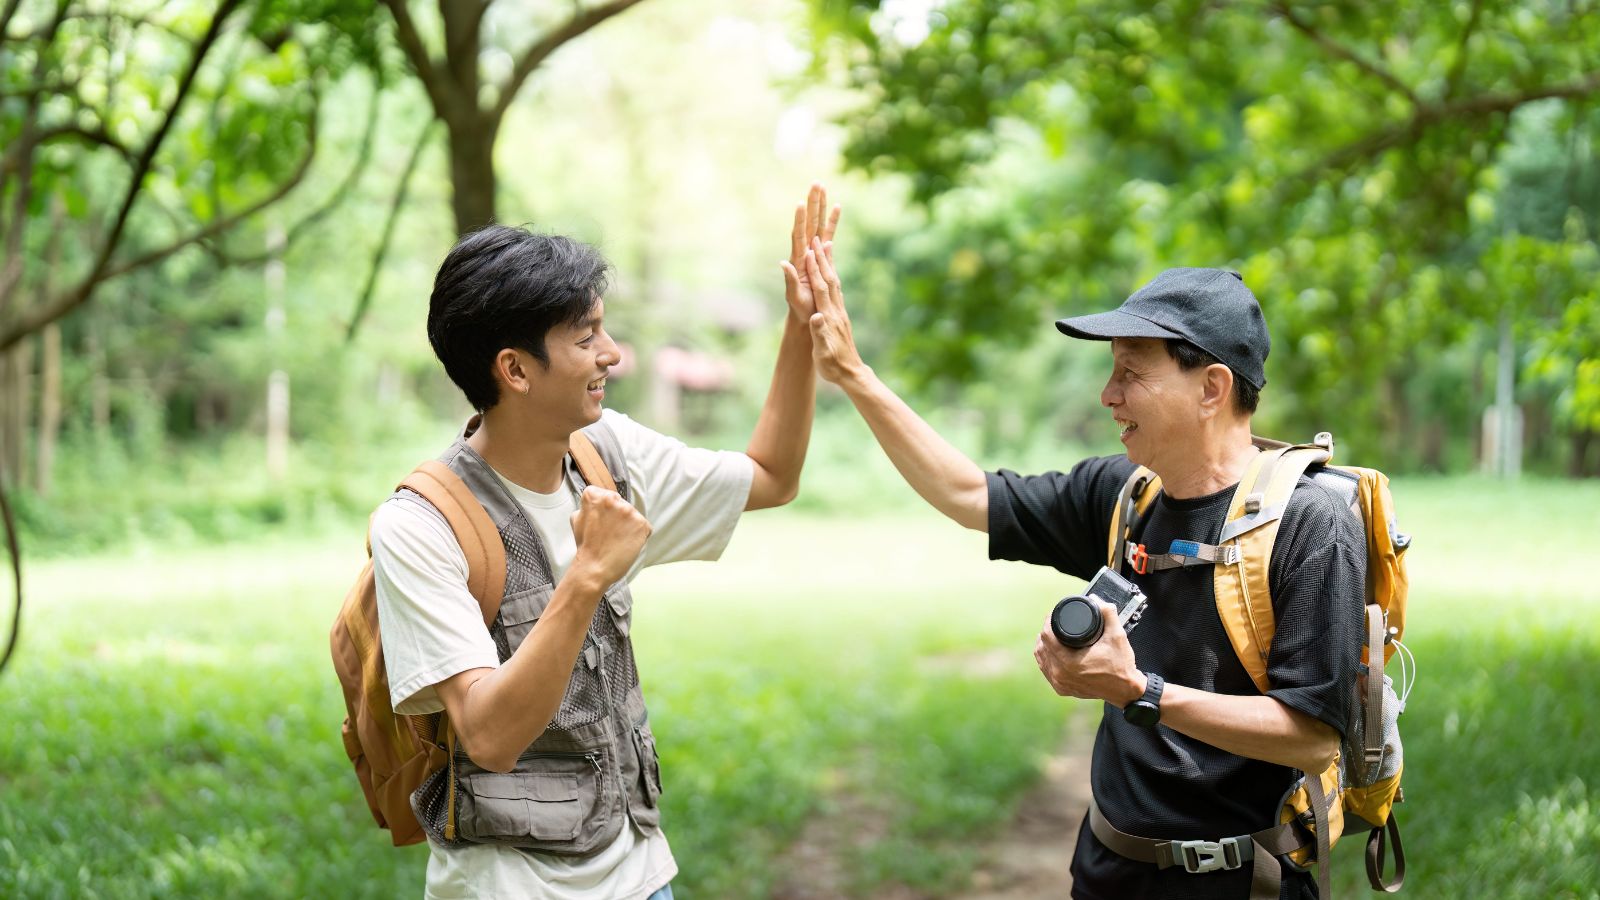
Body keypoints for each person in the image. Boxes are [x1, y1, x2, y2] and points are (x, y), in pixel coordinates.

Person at [799, 255, 1364, 899]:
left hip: (1240, 883)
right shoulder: (1125, 495)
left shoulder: (1309, 524)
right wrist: (853, 374)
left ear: (1212, 388)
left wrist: (1140, 693)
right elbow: (967, 493)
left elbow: (1312, 738)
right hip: (1105, 872)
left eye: (1131, 373)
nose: (1108, 394)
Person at [368, 186, 839, 899]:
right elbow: (488, 738)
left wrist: (801, 326)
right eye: (586, 338)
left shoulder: (605, 453)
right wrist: (587, 575)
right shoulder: (420, 527)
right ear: (514, 370)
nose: (611, 354)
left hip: (640, 873)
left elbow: (771, 477)